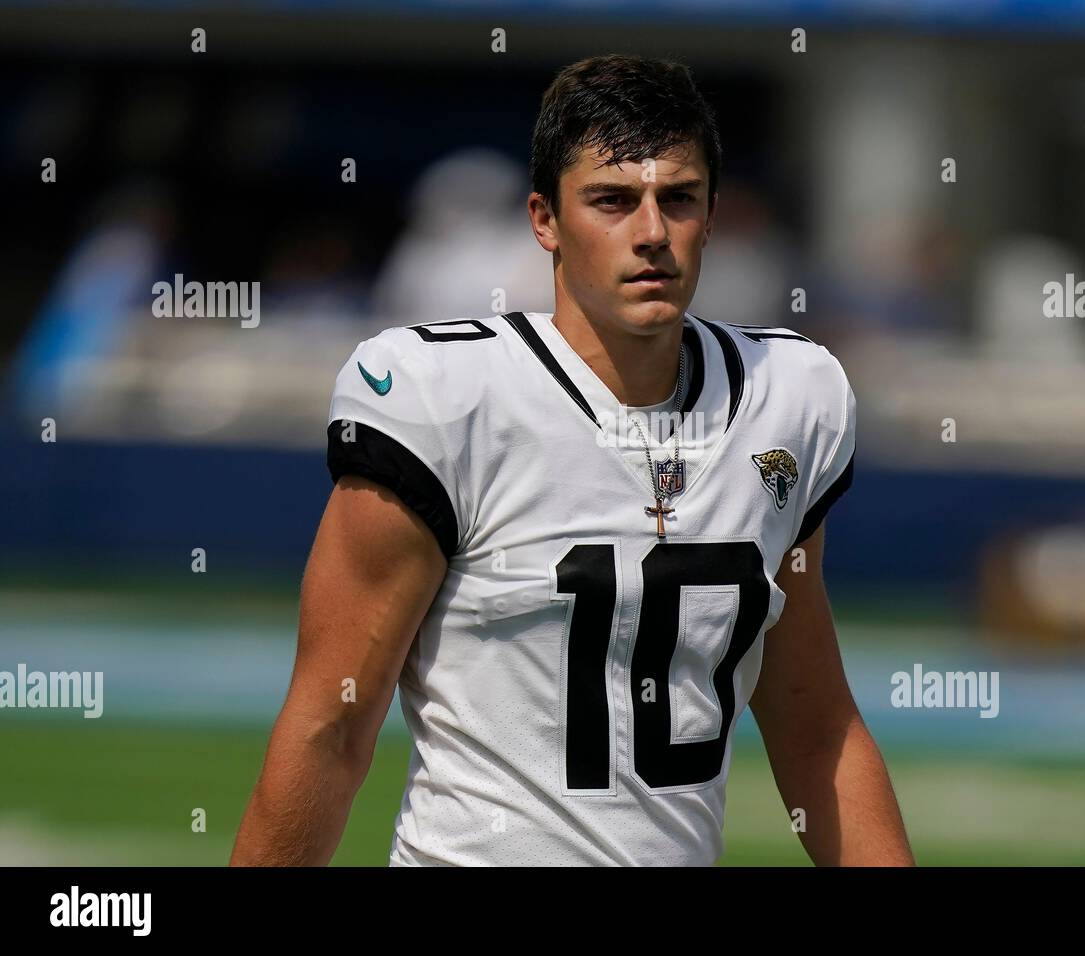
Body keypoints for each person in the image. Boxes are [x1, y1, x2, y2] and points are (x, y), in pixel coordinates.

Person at [231, 54, 913, 867]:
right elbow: (332, 723)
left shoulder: (787, 396)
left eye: (680, 200)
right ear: (545, 219)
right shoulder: (446, 398)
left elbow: (814, 727)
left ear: (712, 215)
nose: (653, 233)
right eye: (613, 200)